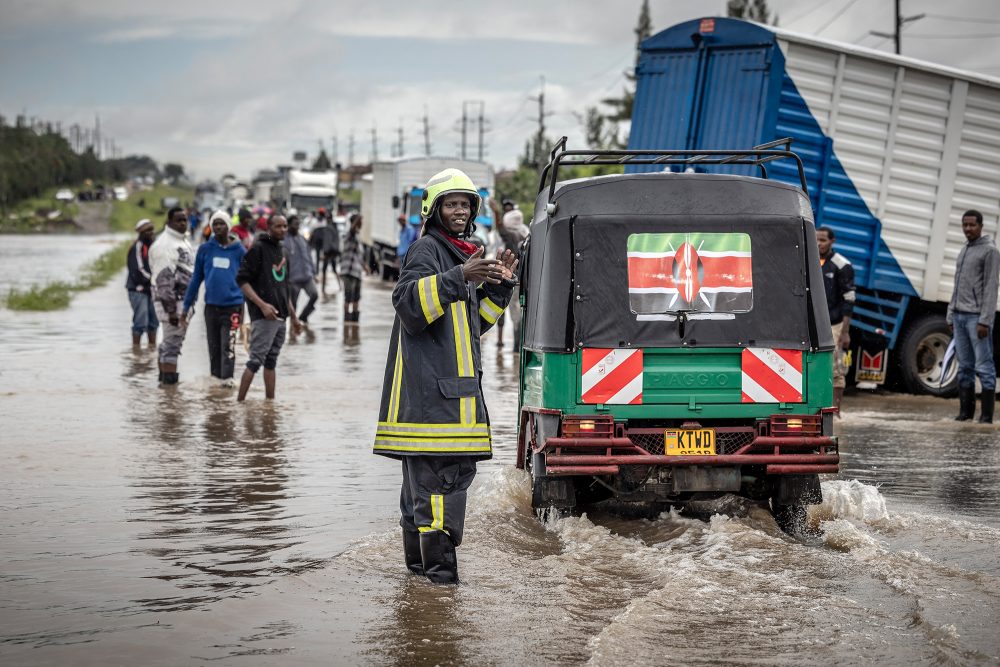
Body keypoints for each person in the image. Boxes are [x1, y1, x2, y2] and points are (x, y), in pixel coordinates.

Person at [373, 168, 517, 584]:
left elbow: (471, 327)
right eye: (451, 204)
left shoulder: (460, 253)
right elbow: (409, 306)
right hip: (434, 407)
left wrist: (500, 290)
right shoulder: (427, 250)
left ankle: (418, 590)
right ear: (433, 210)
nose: (460, 211)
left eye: (465, 204)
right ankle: (440, 593)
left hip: (447, 402)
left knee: (422, 502)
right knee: (439, 501)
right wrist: (460, 278)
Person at [236, 214, 302, 402]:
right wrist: (262, 305)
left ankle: (269, 405)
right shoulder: (257, 250)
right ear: (269, 228)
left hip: (281, 318)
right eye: (278, 226)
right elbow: (242, 281)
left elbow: (284, 288)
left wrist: (294, 317)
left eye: (285, 226)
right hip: (264, 316)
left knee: (271, 361)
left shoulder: (283, 251)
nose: (283, 230)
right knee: (255, 360)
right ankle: (239, 404)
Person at [181, 210, 247, 384]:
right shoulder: (205, 249)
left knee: (228, 348)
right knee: (214, 349)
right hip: (211, 308)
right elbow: (196, 279)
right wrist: (186, 307)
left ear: (228, 226)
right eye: (214, 224)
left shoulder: (239, 251)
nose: (218, 227)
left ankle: (227, 386)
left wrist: (247, 311)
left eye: (221, 223)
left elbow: (247, 281)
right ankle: (216, 390)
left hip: (233, 307)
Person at [947, 209, 999, 423]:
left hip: (976, 318)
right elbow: (957, 285)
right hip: (959, 316)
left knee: (984, 366)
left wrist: (985, 320)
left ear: (981, 226)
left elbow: (991, 287)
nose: (968, 229)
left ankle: (986, 417)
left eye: (972, 225)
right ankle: (965, 414)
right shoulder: (965, 249)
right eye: (965, 225)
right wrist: (950, 314)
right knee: (965, 366)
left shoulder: (990, 251)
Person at [150, 207, 195, 385]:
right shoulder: (164, 245)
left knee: (169, 344)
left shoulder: (182, 241)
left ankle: (164, 386)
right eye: (179, 220)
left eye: (185, 219)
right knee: (172, 345)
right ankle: (169, 393)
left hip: (181, 302)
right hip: (172, 303)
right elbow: (163, 281)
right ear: (169, 222)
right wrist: (172, 312)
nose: (183, 223)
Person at [816, 227, 855, 413]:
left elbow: (849, 299)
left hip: (835, 323)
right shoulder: (811, 260)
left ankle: (836, 411)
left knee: (835, 367)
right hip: (814, 324)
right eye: (816, 239)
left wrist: (845, 331)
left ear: (832, 241)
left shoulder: (842, 265)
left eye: (822, 240)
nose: (818, 243)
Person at [493, 198, 528, 349]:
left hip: (510, 278)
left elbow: (500, 228)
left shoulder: (511, 235)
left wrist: (495, 212)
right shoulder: (526, 234)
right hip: (522, 280)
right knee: (517, 311)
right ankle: (516, 345)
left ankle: (516, 346)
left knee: (508, 311)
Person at [125, 218, 159, 348]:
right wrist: (152, 279)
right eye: (147, 230)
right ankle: (136, 350)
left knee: (153, 322)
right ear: (140, 232)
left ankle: (151, 350)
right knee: (140, 321)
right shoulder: (137, 247)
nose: (150, 233)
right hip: (138, 289)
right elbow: (137, 269)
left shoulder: (153, 246)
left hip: (152, 289)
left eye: (151, 229)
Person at [283, 214, 319, 325]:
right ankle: (293, 326)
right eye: (295, 224)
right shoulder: (284, 241)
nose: (297, 227)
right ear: (288, 225)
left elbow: (308, 256)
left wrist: (314, 273)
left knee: (314, 295)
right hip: (293, 278)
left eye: (298, 224)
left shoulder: (302, 239)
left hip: (307, 276)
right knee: (293, 304)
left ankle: (304, 316)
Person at [341, 213, 366, 323]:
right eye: (360, 222)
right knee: (348, 297)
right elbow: (352, 229)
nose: (362, 224)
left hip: (357, 273)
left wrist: (365, 266)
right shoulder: (349, 234)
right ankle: (346, 322)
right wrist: (358, 218)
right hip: (348, 272)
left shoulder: (357, 236)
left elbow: (358, 256)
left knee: (356, 298)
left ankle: (354, 323)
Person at [310, 210, 342, 295]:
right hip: (333, 252)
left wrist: (326, 253)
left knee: (325, 270)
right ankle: (338, 287)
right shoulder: (334, 227)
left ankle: (324, 290)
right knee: (332, 270)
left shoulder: (328, 228)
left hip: (329, 253)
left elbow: (327, 242)